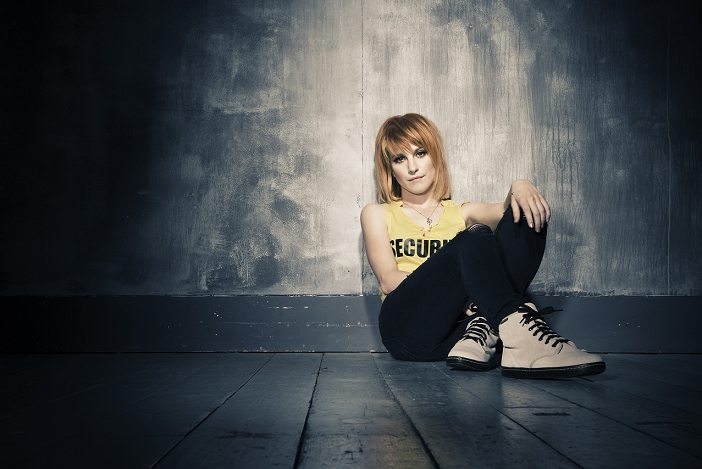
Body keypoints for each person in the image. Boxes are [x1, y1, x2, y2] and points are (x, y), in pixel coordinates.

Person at [361, 113, 605, 379]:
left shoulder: (461, 212)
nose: (412, 167)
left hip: (460, 334)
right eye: (400, 158)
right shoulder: (378, 213)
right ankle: (518, 332)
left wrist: (520, 186)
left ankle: (498, 334)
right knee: (474, 236)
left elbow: (507, 211)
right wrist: (464, 296)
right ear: (390, 168)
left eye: (420, 153)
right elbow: (388, 280)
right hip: (407, 329)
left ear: (434, 156)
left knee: (524, 215)